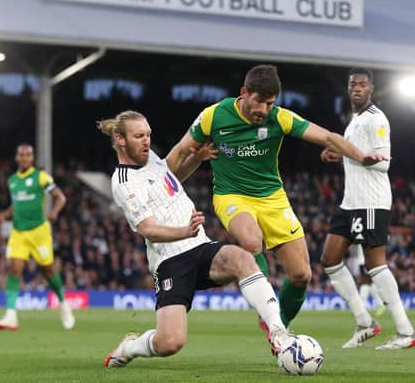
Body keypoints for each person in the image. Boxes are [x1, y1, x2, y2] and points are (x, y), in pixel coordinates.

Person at [167, 64, 385, 336]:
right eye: (259, 102)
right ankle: (266, 305)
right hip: (232, 195)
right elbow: (177, 154)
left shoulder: (279, 118)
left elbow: (328, 137)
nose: (264, 110)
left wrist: (361, 156)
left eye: (270, 103)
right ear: (245, 93)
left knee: (301, 275)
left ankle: (279, 325)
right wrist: (162, 185)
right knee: (251, 241)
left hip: (272, 198)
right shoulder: (214, 116)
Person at [98, 111, 293, 368]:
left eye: (148, 135)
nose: (146, 141)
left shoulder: (152, 160)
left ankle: (280, 334)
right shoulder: (123, 182)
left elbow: (170, 182)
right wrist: (183, 231)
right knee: (170, 343)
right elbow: (148, 229)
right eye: (138, 136)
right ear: (120, 140)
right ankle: (130, 347)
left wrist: (196, 159)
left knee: (241, 258)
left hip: (199, 246)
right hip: (170, 262)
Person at [320, 67, 415, 349]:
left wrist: (362, 158)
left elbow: (384, 162)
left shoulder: (377, 120)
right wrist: (338, 154)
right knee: (329, 259)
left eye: (362, 84)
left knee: (376, 265)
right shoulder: (355, 121)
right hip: (350, 202)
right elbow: (357, 155)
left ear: (371, 88)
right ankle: (364, 322)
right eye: (353, 84)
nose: (357, 88)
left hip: (371, 202)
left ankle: (405, 332)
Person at [0, 144, 74, 331]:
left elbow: (60, 197)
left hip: (39, 232)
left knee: (47, 271)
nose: (24, 157)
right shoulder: (12, 180)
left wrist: (54, 212)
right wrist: (4, 216)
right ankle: (11, 315)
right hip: (18, 232)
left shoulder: (41, 177)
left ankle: (63, 304)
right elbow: (17, 205)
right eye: (21, 154)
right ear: (17, 158)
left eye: (28, 155)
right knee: (14, 269)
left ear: (32, 158)